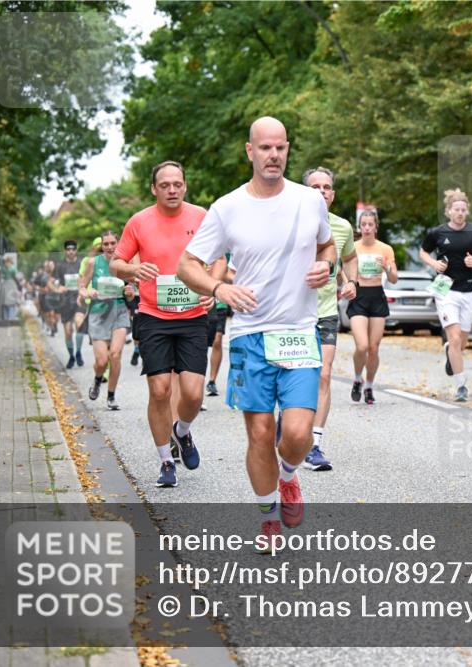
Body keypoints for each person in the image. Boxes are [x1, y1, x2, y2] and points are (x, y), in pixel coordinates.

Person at [178, 116, 335, 547]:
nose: (274, 155)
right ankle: (268, 516)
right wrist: (219, 287)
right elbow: (186, 264)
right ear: (250, 151)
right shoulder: (228, 208)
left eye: (280, 148)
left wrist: (327, 264)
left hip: (299, 332)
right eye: (265, 148)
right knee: (262, 433)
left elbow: (327, 245)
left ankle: (288, 476)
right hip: (249, 335)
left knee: (299, 434)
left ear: (287, 149)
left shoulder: (310, 201)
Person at [111, 161, 214, 488]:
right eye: (165, 184)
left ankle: (181, 432)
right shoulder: (139, 221)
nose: (172, 189)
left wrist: (213, 285)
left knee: (194, 394)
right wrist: (131, 271)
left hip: (193, 317)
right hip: (154, 316)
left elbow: (221, 256)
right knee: (159, 390)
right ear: (154, 188)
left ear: (185, 186)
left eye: (177, 184)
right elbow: (117, 262)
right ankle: (166, 462)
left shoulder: (201, 217)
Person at [302, 166, 358, 469]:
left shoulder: (342, 227)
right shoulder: (290, 222)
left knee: (324, 374)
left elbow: (349, 258)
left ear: (333, 195)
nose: (321, 192)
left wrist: (351, 281)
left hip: (325, 312)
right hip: (292, 315)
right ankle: (291, 422)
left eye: (326, 187)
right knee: (294, 377)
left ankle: (315, 444)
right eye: (315, 187)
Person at [419, 189, 472, 402]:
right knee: (454, 337)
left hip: (468, 290)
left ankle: (451, 352)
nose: (460, 213)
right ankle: (461, 386)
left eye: (463, 209)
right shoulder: (438, 233)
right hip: (446, 290)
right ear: (448, 211)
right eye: (456, 209)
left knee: (462, 341)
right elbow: (423, 251)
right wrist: (434, 263)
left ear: (467, 211)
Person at [347, 209, 395, 405]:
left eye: (370, 224)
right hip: (359, 296)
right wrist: (348, 283)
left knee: (374, 348)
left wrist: (386, 267)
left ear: (376, 227)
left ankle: (368, 385)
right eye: (363, 224)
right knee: (362, 346)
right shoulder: (353, 247)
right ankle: (357, 377)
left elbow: (394, 278)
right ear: (360, 227)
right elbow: (343, 269)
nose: (366, 228)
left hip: (377, 296)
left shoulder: (385, 249)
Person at [80, 231, 132, 410]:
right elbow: (81, 286)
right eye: (106, 244)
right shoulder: (93, 262)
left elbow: (131, 290)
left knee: (115, 355)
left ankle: (111, 396)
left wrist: (130, 293)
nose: (109, 247)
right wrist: (88, 292)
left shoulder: (124, 264)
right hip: (98, 313)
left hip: (119, 312)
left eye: (112, 243)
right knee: (102, 361)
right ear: (101, 246)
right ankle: (96, 381)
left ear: (118, 244)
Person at [54, 240, 88, 368]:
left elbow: (88, 278)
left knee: (79, 324)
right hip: (65, 301)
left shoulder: (81, 264)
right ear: (65, 251)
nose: (71, 251)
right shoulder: (60, 266)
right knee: (68, 332)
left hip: (79, 299)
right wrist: (58, 288)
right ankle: (71, 356)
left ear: (76, 250)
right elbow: (52, 281)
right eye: (68, 249)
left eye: (73, 249)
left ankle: (78, 352)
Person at [205, 254, 232, 396]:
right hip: (202, 300)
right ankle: (197, 380)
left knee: (217, 340)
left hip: (220, 302)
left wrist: (219, 274)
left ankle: (212, 381)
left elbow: (230, 275)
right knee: (200, 344)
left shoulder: (225, 251)